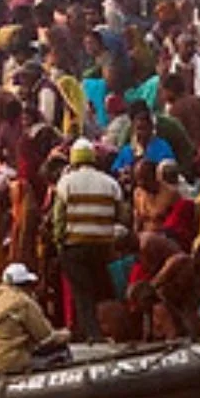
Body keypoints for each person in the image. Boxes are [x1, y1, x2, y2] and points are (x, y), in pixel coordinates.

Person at [53, 138, 126, 341]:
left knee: (83, 293)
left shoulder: (65, 182)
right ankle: (109, 330)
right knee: (102, 289)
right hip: (103, 247)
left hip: (75, 246)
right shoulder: (110, 183)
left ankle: (92, 335)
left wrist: (60, 243)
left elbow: (58, 219)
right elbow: (123, 216)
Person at [0, 263, 70, 373]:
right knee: (61, 351)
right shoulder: (23, 302)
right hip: (9, 363)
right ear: (25, 284)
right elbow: (45, 337)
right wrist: (65, 335)